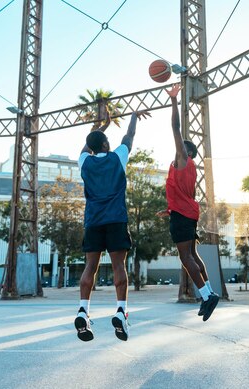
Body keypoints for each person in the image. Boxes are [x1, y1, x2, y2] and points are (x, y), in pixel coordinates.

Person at [74, 106, 150, 342]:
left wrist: (102, 127)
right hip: (116, 220)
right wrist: (134, 117)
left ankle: (83, 311)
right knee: (119, 267)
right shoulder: (118, 157)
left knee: (90, 267)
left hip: (93, 221)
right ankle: (120, 311)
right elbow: (129, 137)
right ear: (106, 145)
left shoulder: (84, 162)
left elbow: (87, 145)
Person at [157, 83, 219, 321]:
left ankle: (206, 295)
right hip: (185, 213)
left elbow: (175, 127)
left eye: (181, 147)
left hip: (183, 215)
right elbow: (182, 194)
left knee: (186, 258)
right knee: (193, 254)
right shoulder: (185, 168)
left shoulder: (183, 160)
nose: (177, 149)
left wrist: (174, 100)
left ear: (186, 151)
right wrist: (170, 209)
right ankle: (209, 292)